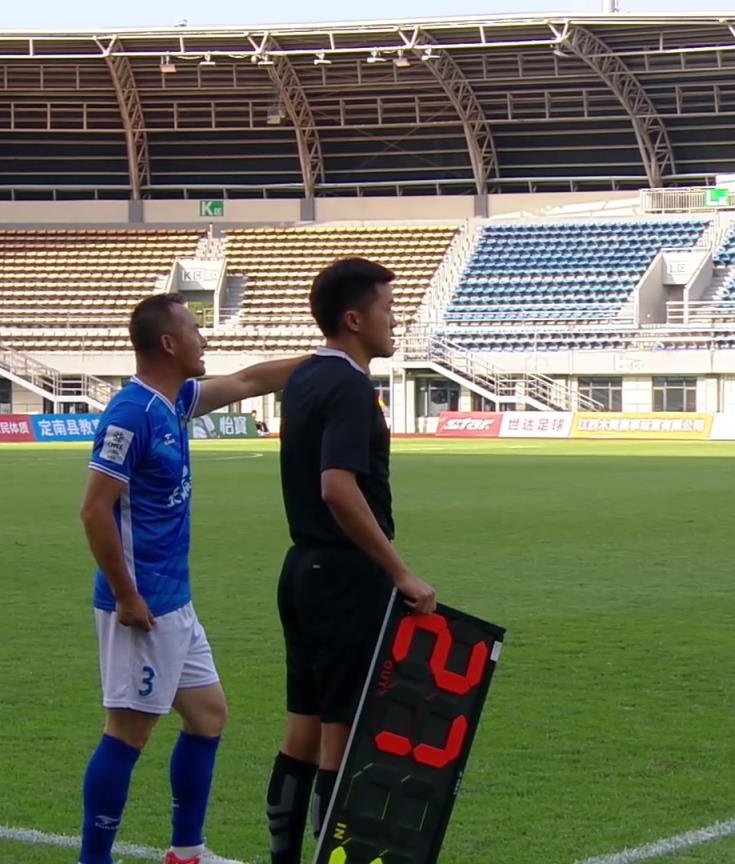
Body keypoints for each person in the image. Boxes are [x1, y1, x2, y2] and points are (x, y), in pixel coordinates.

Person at [78, 292, 305, 864]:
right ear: (168, 343)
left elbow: (250, 380)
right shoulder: (131, 414)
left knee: (208, 716)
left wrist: (330, 359)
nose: (205, 340)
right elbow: (94, 510)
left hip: (174, 601)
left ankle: (186, 850)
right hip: (143, 606)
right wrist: (127, 596)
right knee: (126, 733)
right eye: (195, 331)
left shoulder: (175, 400)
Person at [264, 258, 437, 864]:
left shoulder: (307, 378)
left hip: (302, 570)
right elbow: (337, 488)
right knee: (342, 737)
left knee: (301, 732)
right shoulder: (348, 386)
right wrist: (399, 570)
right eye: (388, 308)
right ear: (354, 319)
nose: (396, 320)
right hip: (344, 578)